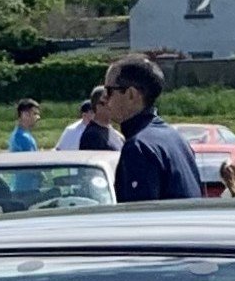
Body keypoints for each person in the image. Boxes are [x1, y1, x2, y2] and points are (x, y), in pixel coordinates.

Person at [101, 54, 201, 202]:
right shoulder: (176, 138)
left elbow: (138, 219)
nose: (104, 98)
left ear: (131, 95)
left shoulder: (138, 147)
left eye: (109, 91)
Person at [77, 86, 124, 153]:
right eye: (107, 101)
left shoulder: (114, 133)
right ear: (98, 106)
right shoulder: (92, 136)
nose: (112, 105)